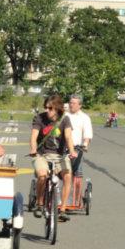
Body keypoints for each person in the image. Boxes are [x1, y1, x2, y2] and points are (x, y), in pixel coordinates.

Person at [29, 93, 77, 221]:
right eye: (45, 107)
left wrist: (72, 151)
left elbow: (68, 137)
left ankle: (62, 209)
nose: (47, 110)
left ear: (57, 108)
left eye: (50, 108)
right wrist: (33, 149)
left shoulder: (65, 119)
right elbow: (33, 137)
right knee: (42, 175)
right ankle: (39, 204)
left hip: (60, 155)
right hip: (42, 155)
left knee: (68, 176)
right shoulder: (39, 118)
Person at [65, 94, 93, 176]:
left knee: (78, 176)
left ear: (80, 105)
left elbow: (87, 133)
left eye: (74, 103)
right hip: (62, 148)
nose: (71, 105)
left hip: (76, 149)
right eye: (70, 103)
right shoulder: (64, 115)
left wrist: (85, 144)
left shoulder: (84, 117)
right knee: (61, 174)